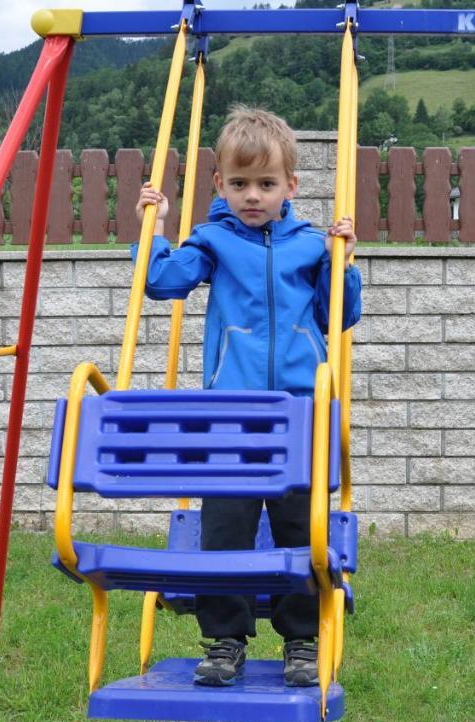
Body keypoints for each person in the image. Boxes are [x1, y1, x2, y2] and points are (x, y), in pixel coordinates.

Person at [133, 106, 362, 689]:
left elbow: (341, 316)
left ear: (292, 185)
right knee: (226, 530)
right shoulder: (213, 240)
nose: (252, 196)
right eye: (239, 184)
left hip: (297, 412)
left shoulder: (311, 245)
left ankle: (302, 641)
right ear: (219, 185)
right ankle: (225, 640)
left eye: (265, 184)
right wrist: (152, 230)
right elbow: (163, 283)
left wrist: (346, 263)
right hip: (231, 414)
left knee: (299, 529)